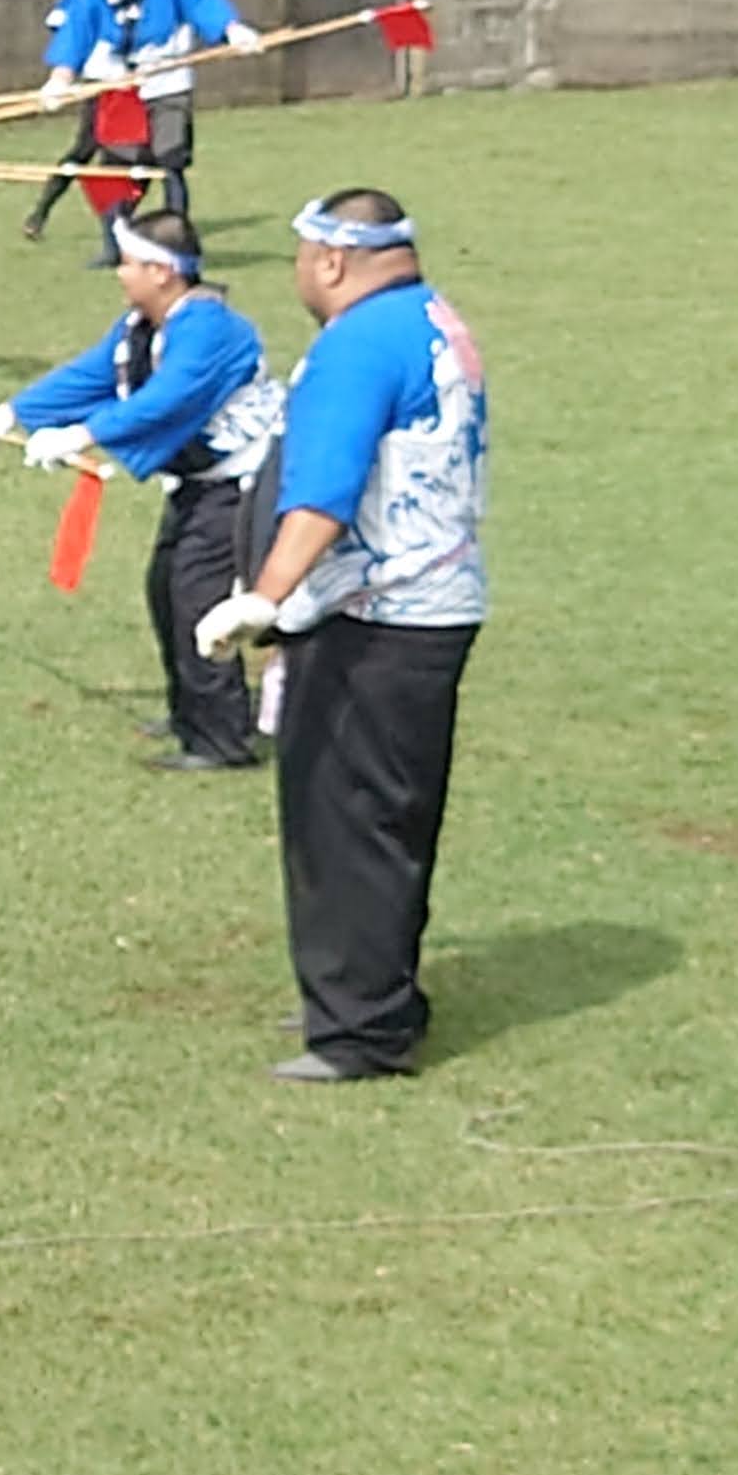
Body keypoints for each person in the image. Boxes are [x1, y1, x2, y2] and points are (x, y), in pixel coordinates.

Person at [194, 190, 489, 1085]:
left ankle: (360, 1029)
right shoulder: (432, 319)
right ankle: (363, 991)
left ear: (331, 258)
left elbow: (323, 486)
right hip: (432, 608)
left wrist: (263, 597)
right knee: (386, 814)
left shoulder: (357, 345)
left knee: (344, 820)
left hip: (375, 619)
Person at [0, 207, 280, 769]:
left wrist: (83, 434)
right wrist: (11, 412)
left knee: (196, 599)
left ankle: (222, 741)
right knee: (165, 591)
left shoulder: (208, 328)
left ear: (163, 272)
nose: (119, 272)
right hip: (198, 482)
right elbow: (92, 375)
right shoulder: (140, 326)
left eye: (128, 262)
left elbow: (168, 400)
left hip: (243, 481)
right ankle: (191, 715)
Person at [32, 0, 262, 252]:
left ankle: (179, 240)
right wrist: (60, 78)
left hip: (165, 74)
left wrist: (231, 29)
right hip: (117, 80)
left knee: (170, 159)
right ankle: (116, 244)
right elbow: (78, 27)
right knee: (119, 163)